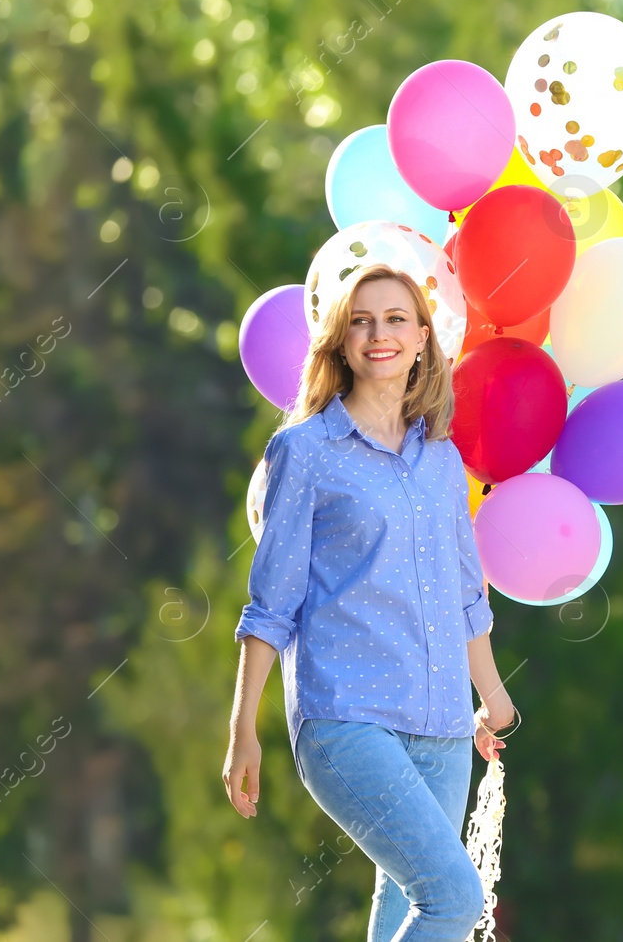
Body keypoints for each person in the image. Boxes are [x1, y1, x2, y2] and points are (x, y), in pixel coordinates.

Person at [222, 263, 518, 941]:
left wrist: (493, 697)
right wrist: (244, 728)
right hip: (345, 716)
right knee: (452, 897)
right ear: (339, 341)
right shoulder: (304, 451)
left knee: (401, 913)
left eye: (393, 319)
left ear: (422, 339)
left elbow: (464, 593)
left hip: (443, 721)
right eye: (360, 320)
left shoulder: (442, 460)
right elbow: (270, 606)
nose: (377, 334)